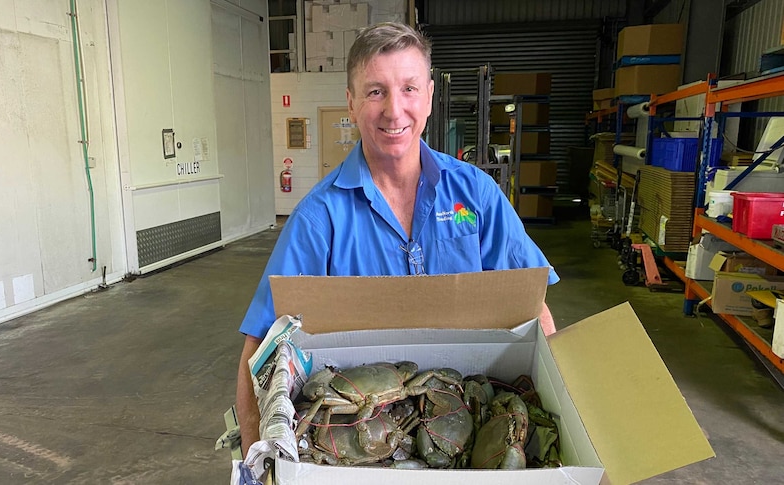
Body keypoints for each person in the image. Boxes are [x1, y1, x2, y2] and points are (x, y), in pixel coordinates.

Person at [235, 22, 558, 454]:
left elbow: (534, 305)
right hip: (366, 433)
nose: (394, 110)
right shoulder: (320, 218)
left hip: (469, 412)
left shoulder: (475, 195)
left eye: (408, 88)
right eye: (375, 91)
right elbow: (259, 346)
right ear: (350, 103)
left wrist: (563, 405)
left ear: (428, 95)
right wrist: (259, 463)